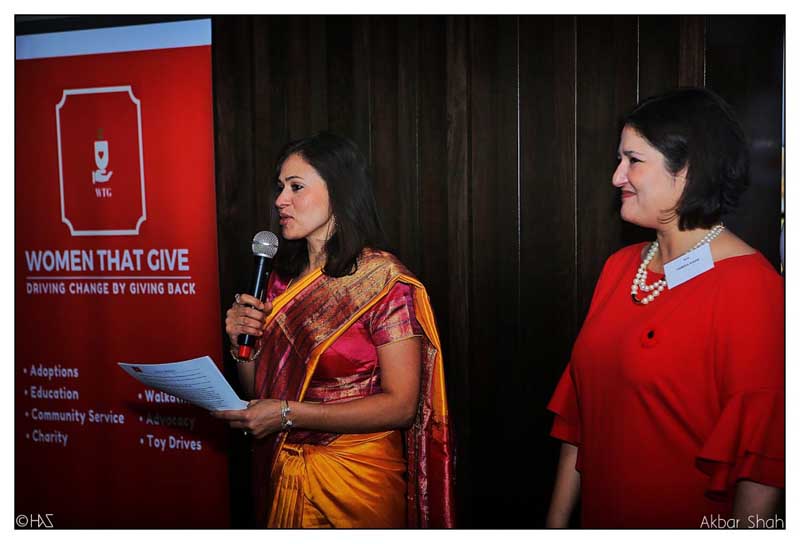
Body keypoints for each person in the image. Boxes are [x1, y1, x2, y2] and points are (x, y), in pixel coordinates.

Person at [546, 88, 784, 528]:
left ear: (688, 170)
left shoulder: (753, 287)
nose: (617, 176)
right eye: (619, 160)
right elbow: (579, 421)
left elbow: (764, 463)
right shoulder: (620, 269)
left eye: (634, 160)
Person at [214, 132, 455, 528]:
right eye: (280, 188)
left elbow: (401, 405)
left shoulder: (383, 284)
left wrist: (289, 415)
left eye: (296, 187)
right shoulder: (278, 283)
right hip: (286, 474)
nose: (280, 201)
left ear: (339, 191)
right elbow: (260, 392)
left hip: (357, 482)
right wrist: (245, 345)